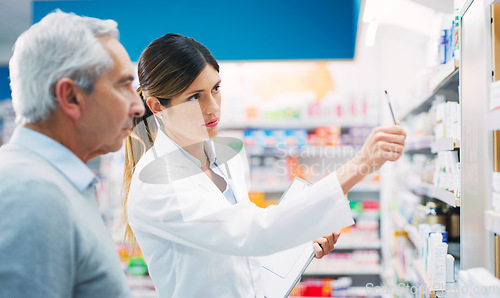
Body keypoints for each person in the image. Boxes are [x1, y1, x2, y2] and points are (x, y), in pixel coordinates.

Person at [123, 33, 406, 297]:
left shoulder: (224, 158)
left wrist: (300, 239)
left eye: (216, 89)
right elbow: (252, 234)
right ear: (158, 107)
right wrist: (361, 164)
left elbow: (243, 242)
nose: (213, 107)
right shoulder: (156, 183)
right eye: (194, 96)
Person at [0, 10, 144, 297]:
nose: (138, 106)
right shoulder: (33, 193)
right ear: (71, 97)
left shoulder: (56, 182)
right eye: (123, 85)